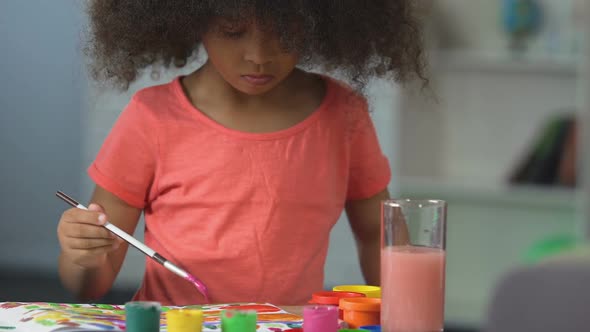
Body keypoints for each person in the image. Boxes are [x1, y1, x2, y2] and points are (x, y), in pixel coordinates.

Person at [57, 0, 425, 306]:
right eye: (233, 32)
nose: (258, 56)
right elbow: (89, 286)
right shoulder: (151, 118)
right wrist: (82, 254)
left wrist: (407, 313)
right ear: (193, 20)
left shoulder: (343, 114)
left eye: (284, 32)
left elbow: (380, 234)